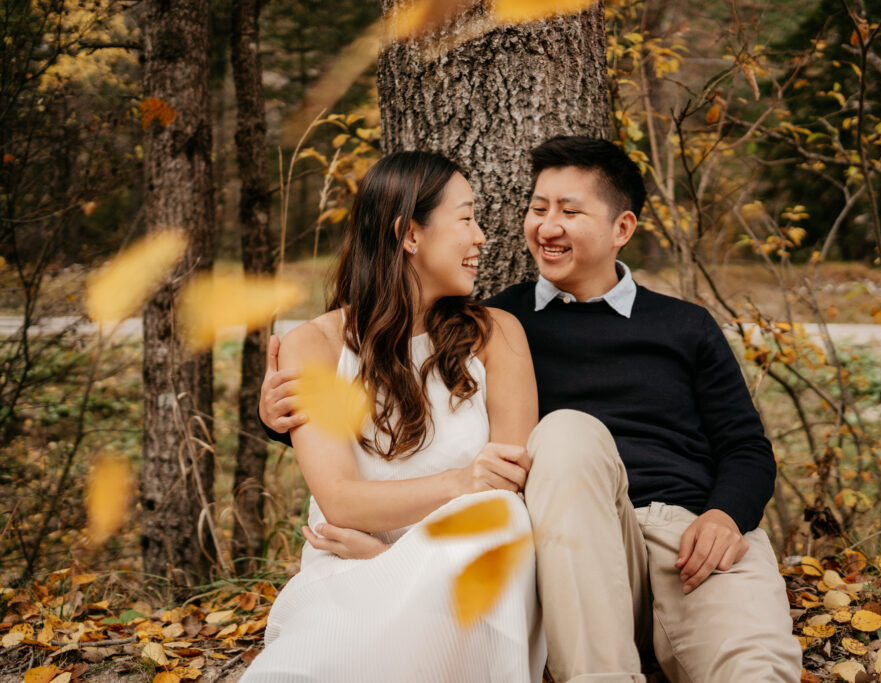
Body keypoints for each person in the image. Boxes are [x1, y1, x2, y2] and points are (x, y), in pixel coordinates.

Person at [260, 137, 802, 682]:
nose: (545, 226)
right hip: (573, 543)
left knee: (753, 670)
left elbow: (746, 446)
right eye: (538, 208)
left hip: (686, 534)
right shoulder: (496, 321)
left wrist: (726, 514)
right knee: (566, 434)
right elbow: (396, 407)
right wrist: (285, 419)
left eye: (569, 210)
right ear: (409, 235)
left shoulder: (683, 326)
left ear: (623, 229)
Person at [241, 151, 546, 682]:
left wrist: (388, 555)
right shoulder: (313, 347)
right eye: (467, 218)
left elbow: (510, 493)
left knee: (501, 525)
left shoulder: (498, 334)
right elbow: (339, 501)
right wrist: (460, 483)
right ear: (409, 234)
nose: (480, 238)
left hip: (470, 571)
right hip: (349, 571)